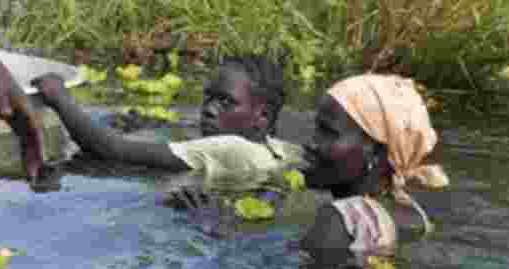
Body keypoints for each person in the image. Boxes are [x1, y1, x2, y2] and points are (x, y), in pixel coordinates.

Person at [32, 55, 308, 182]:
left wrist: (59, 98)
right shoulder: (278, 150)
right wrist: (159, 124)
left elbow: (111, 149)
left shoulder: (227, 147)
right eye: (208, 98)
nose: (209, 110)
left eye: (226, 102)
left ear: (262, 116)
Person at [300, 73, 450, 255]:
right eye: (317, 129)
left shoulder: (339, 220)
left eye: (329, 133)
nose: (312, 143)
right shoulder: (415, 217)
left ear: (376, 153)